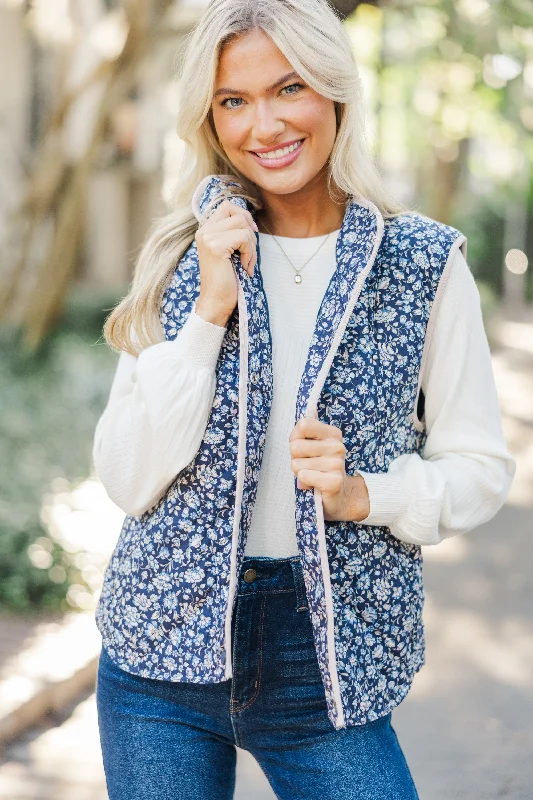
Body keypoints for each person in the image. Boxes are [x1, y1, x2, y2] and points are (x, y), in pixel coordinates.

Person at [92, 1, 515, 798]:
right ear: (211, 120)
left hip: (322, 661)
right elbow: (124, 477)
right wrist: (209, 312)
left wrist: (366, 494)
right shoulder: (184, 257)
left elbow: (480, 466)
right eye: (233, 101)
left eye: (288, 88)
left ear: (333, 92)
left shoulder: (422, 263)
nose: (264, 125)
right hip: (159, 655)